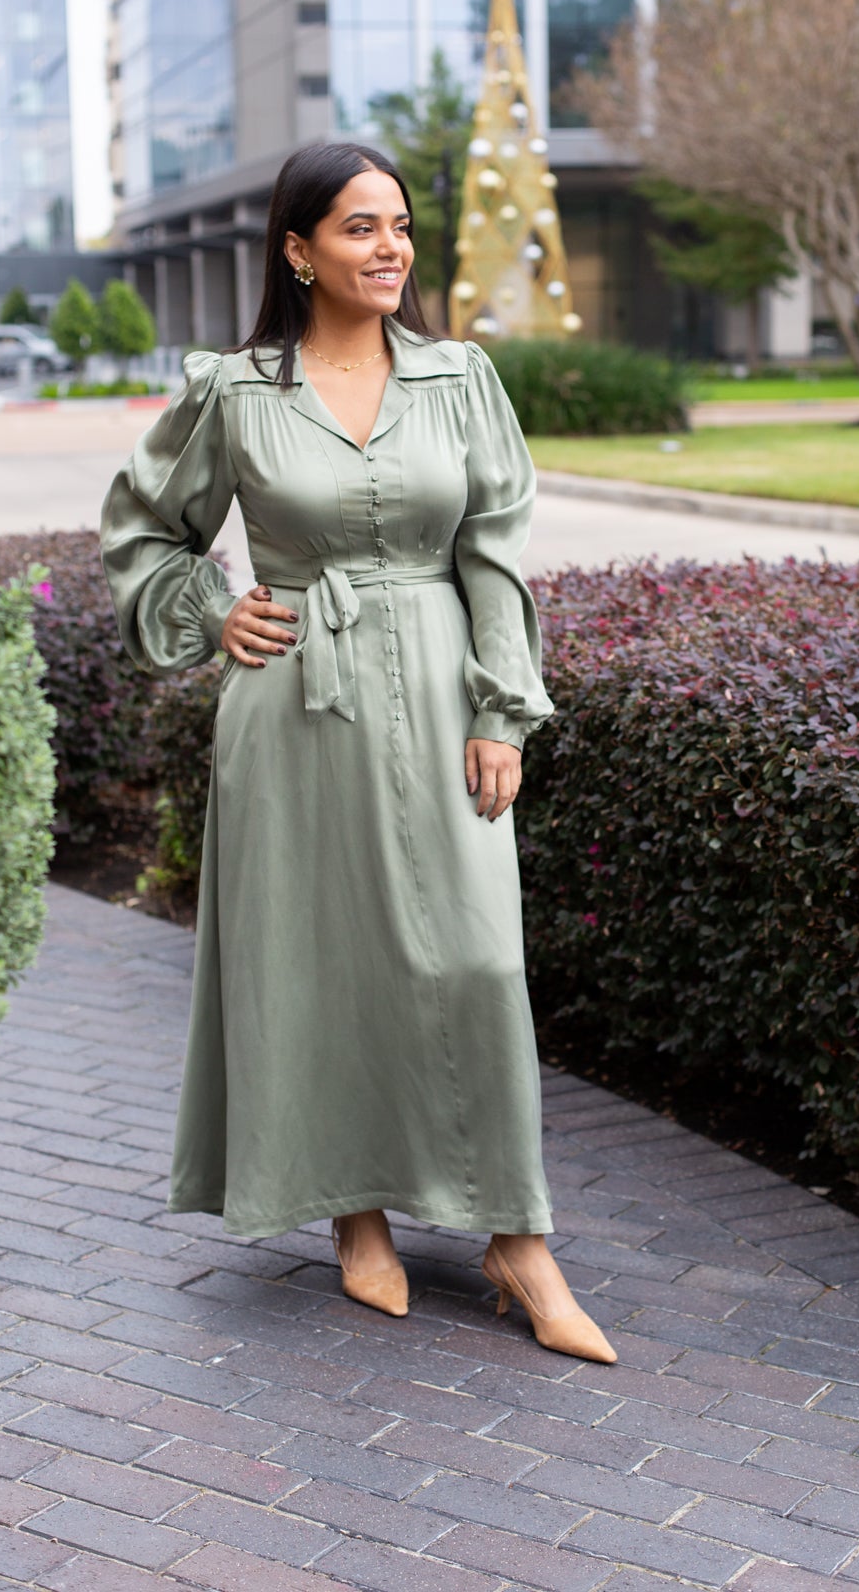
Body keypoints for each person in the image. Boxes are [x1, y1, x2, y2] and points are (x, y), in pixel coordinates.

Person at [99, 141, 616, 1365]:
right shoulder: (236, 390)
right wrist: (211, 610)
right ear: (298, 249)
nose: (389, 249)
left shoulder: (459, 379)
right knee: (319, 961)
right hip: (296, 705)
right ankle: (357, 1213)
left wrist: (503, 708)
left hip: (443, 692)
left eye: (399, 228)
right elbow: (143, 527)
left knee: (479, 960)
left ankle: (516, 1239)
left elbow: (492, 550)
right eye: (358, 229)